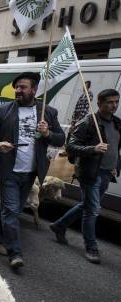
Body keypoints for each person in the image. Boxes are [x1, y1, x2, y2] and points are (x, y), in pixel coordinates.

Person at [0, 72, 64, 271]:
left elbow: (60, 139)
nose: (18, 91)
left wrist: (47, 134)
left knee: (13, 210)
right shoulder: (4, 110)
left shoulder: (48, 112)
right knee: (11, 211)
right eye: (16, 87)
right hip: (8, 170)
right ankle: (15, 253)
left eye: (23, 87)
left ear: (34, 90)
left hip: (31, 173)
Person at [50, 89, 120, 264]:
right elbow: (71, 147)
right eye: (110, 102)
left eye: (116, 102)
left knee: (88, 205)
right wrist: (93, 149)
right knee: (93, 210)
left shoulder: (118, 123)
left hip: (106, 173)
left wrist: (116, 167)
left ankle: (59, 225)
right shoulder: (88, 123)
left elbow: (117, 149)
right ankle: (91, 247)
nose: (114, 105)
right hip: (90, 173)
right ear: (99, 103)